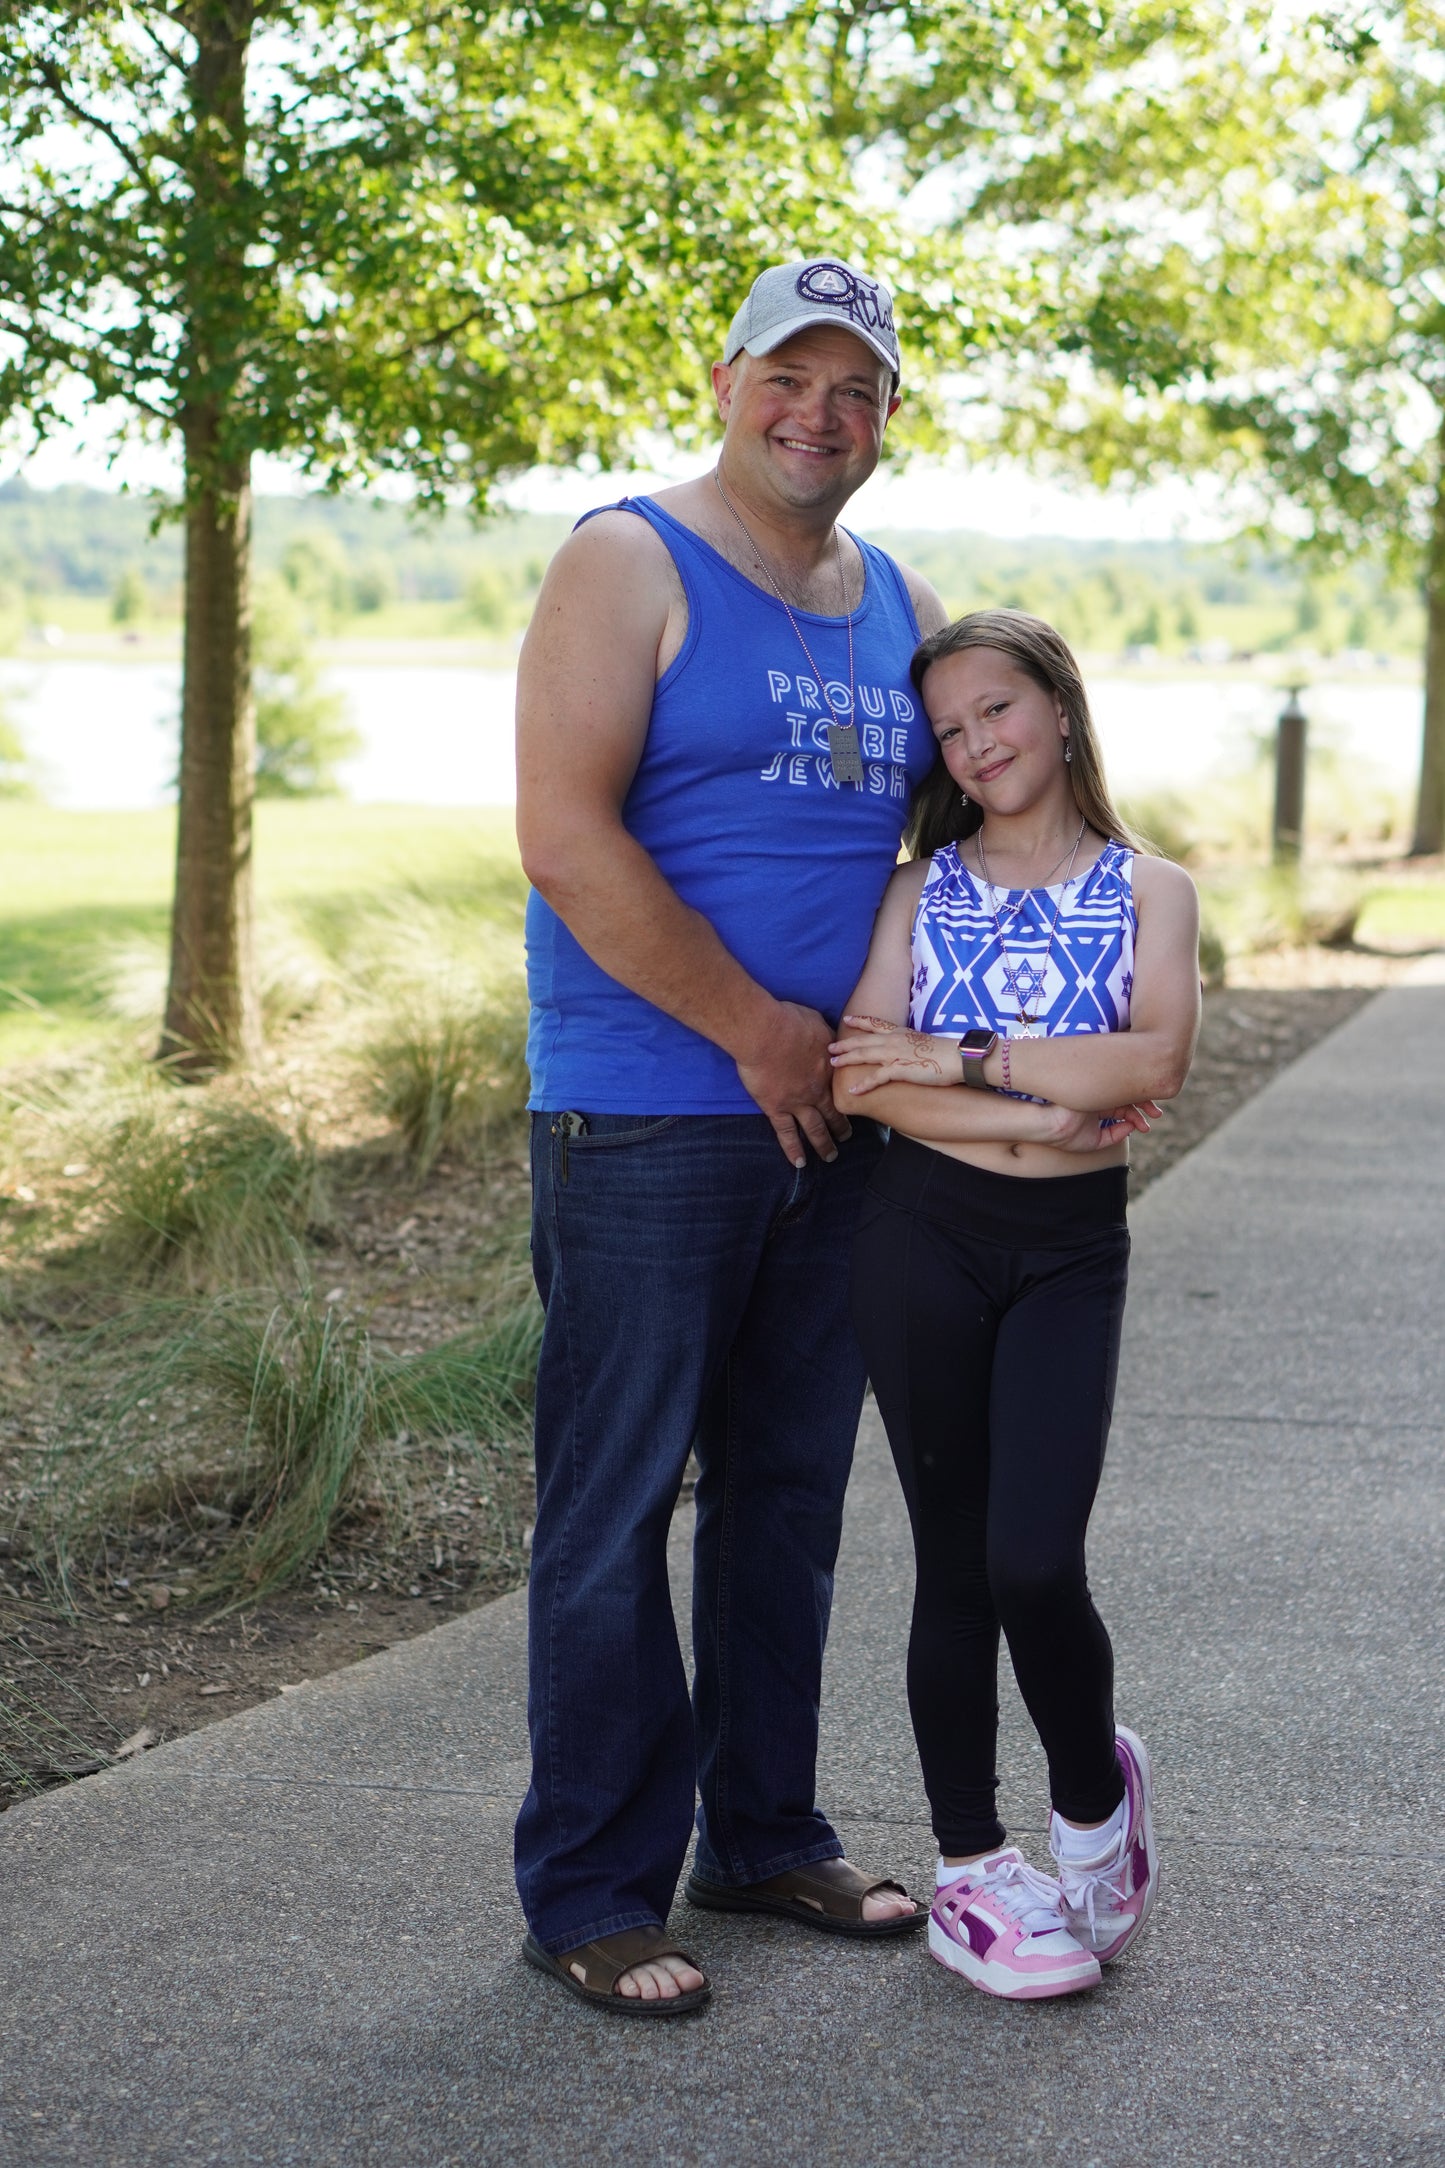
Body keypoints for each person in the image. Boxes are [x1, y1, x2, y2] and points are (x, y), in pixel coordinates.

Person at [513, 257, 950, 2016]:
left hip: (834, 1128)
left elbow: (932, 844)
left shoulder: (892, 592)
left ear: (886, 420)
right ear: (723, 379)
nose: (816, 413)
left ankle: (761, 1835)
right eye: (790, 374)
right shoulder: (626, 558)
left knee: (785, 1498)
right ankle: (593, 1892)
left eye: (854, 388)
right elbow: (562, 832)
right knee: (615, 1509)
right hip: (650, 1112)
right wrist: (758, 1028)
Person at [828, 608, 1200, 2001]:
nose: (976, 744)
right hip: (919, 1234)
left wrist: (957, 1056)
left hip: (1065, 1254)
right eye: (948, 730)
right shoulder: (917, 890)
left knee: (1036, 1558)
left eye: (996, 709)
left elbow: (1153, 1055)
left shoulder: (1149, 887)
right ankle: (972, 1875)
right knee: (954, 1566)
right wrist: (1040, 1092)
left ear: (1054, 703)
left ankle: (1092, 1808)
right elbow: (859, 1077)